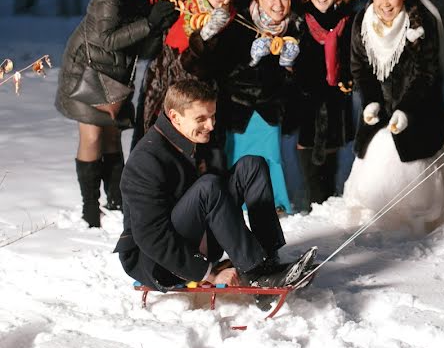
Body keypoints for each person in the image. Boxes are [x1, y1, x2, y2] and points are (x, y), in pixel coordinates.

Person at [114, 79, 315, 289]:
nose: (210, 125)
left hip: (192, 238)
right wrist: (209, 274)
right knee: (208, 186)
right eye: (201, 118)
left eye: (212, 116)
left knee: (252, 165)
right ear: (175, 117)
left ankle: (267, 261)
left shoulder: (190, 138)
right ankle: (256, 274)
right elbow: (150, 236)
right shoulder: (147, 158)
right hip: (158, 263)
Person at [56, 0, 180, 227]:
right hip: (87, 68)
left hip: (118, 75)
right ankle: (90, 210)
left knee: (113, 136)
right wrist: (150, 23)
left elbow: (144, 50)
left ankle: (116, 201)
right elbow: (106, 39)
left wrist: (160, 26)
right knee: (93, 136)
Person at [182, 0, 301, 214]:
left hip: (270, 106)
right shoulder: (239, 23)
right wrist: (251, 59)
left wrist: (289, 66)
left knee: (270, 158)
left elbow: (301, 80)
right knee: (238, 157)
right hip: (238, 106)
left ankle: (274, 201)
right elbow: (212, 66)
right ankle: (238, 201)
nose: (278, 5)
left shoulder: (294, 28)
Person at [342, 0, 444, 233]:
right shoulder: (362, 23)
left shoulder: (419, 21)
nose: (385, 4)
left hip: (416, 107)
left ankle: (415, 217)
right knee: (374, 151)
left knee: (408, 159)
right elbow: (361, 68)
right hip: (379, 109)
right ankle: (373, 215)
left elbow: (427, 72)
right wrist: (371, 102)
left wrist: (406, 109)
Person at [132, 0, 239, 150]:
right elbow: (158, 46)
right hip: (159, 91)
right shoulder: (183, 2)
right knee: (153, 152)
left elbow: (197, 65)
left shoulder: (230, 23)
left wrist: (206, 35)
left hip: (196, 104)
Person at [285, 0, 355, 210]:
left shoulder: (348, 19)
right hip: (305, 99)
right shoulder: (299, 20)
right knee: (308, 155)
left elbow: (353, 56)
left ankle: (328, 204)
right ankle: (313, 205)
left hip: (336, 98)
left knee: (333, 158)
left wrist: (348, 77)